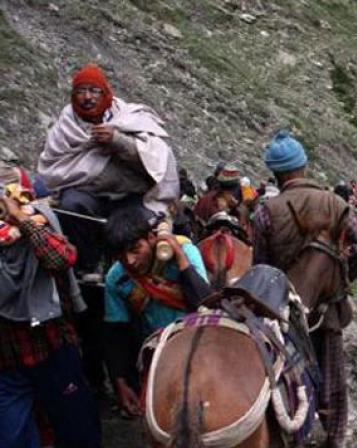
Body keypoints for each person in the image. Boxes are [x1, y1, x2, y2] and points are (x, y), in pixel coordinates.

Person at [253, 130, 357, 448]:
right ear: (303, 165)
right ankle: (333, 439)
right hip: (327, 312)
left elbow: (261, 269)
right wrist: (340, 279)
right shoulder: (335, 203)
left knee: (284, 377)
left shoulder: (265, 212)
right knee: (332, 384)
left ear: (275, 173)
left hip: (282, 314)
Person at [37, 63, 179, 279]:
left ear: (106, 93)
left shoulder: (130, 117)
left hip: (130, 196)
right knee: (70, 206)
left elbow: (155, 159)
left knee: (141, 223)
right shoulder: (65, 127)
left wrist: (118, 141)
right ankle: (87, 266)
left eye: (94, 91)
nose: (87, 97)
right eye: (80, 91)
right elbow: (53, 168)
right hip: (90, 195)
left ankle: (130, 272)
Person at [0, 165, 100, 447]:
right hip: (7, 358)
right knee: (12, 436)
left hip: (50, 346)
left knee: (76, 428)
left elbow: (60, 258)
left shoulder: (38, 223)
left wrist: (22, 220)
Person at [102, 206, 210, 416]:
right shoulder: (117, 278)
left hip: (197, 342)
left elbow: (205, 301)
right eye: (121, 256)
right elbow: (116, 333)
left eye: (135, 249)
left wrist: (179, 257)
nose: (130, 261)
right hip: (156, 350)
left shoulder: (186, 252)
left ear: (151, 238)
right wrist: (120, 383)